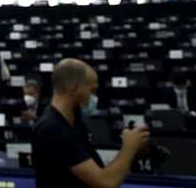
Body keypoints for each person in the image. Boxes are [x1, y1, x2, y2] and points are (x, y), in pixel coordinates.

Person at [32, 59, 148, 188]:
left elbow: (100, 171)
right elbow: (105, 183)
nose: (95, 97)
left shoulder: (74, 124)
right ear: (75, 89)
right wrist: (128, 148)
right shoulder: (52, 128)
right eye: (92, 91)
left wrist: (132, 154)